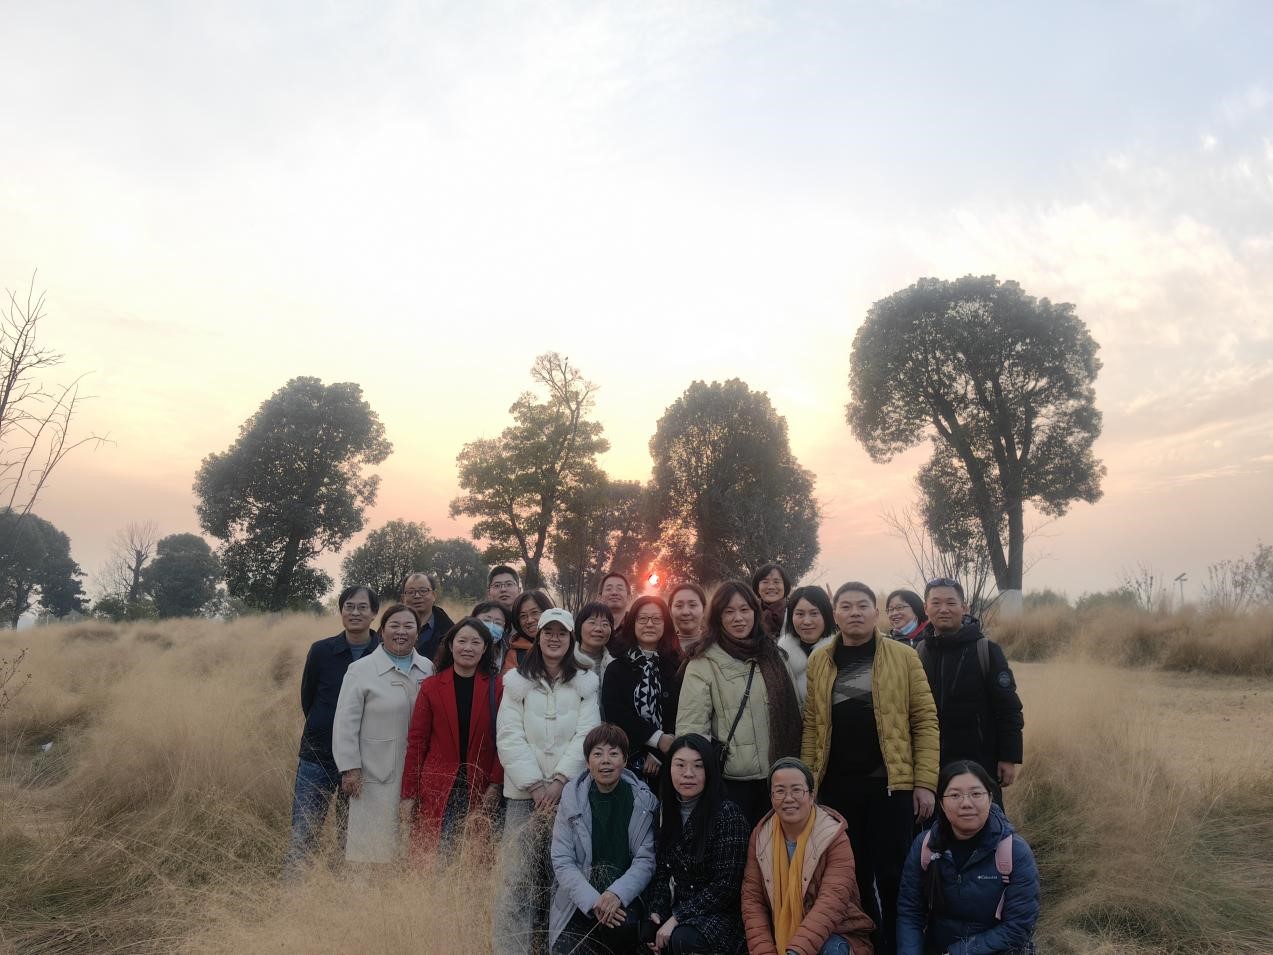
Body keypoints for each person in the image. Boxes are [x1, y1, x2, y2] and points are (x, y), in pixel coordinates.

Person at [800, 582, 939, 955]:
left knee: (895, 874)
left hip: (891, 787)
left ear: (876, 613)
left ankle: (901, 944)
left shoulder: (903, 656)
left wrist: (925, 782)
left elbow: (925, 721)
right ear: (835, 614)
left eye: (863, 605)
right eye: (846, 606)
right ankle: (869, 944)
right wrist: (809, 785)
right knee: (852, 874)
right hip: (838, 787)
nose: (855, 613)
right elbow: (813, 726)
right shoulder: (820, 660)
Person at [495, 608, 601, 955]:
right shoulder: (516, 683)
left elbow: (587, 734)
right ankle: (512, 948)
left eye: (561, 633)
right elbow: (508, 734)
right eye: (548, 632)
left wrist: (559, 782)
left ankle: (559, 947)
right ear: (538, 637)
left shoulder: (585, 683)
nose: (554, 639)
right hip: (524, 795)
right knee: (517, 877)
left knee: (564, 876)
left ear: (571, 639)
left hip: (568, 795)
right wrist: (535, 784)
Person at [676, 580, 802, 828]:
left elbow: (796, 712)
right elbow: (692, 729)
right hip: (731, 785)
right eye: (729, 611)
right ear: (717, 617)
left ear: (755, 612)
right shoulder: (703, 663)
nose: (738, 618)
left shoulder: (775, 655)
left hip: (781, 779)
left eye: (745, 610)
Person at [284, 585, 381, 874]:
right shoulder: (321, 651)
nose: (355, 613)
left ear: (374, 613)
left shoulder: (383, 653)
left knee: (351, 838)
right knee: (304, 832)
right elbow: (308, 698)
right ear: (341, 611)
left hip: (364, 761)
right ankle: (294, 892)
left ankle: (340, 894)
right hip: (318, 755)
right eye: (349, 606)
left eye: (362, 607)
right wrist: (327, 726)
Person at [896, 761, 1040, 955]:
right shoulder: (925, 846)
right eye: (955, 795)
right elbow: (910, 914)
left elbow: (1018, 927)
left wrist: (957, 953)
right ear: (941, 803)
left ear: (990, 798)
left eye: (976, 794)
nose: (966, 803)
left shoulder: (1014, 851)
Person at [741, 757, 875, 955]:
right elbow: (753, 901)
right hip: (780, 934)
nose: (788, 798)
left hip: (836, 932)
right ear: (771, 797)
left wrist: (796, 951)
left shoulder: (833, 835)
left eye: (797, 790)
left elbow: (832, 901)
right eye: (780, 791)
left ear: (812, 795)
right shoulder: (761, 837)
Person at [332, 603, 434, 863]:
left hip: (417, 771)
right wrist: (350, 767)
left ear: (418, 633)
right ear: (382, 631)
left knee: (410, 848)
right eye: (394, 625)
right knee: (371, 850)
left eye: (409, 626)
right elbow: (345, 722)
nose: (401, 632)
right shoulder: (361, 669)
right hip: (373, 772)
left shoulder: (427, 668)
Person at [548, 723, 658, 955]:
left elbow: (645, 860)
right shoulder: (571, 800)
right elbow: (562, 860)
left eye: (613, 754)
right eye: (597, 754)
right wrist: (593, 901)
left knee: (621, 929)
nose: (605, 761)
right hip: (580, 898)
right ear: (588, 762)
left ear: (625, 760)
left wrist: (616, 894)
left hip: (624, 896)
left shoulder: (643, 802)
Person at [401, 617, 503, 858]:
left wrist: (495, 784)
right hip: (438, 787)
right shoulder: (431, 686)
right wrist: (409, 793)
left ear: (485, 648)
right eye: (462, 641)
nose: (468, 648)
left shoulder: (498, 687)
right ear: (450, 645)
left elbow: (505, 741)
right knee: (435, 857)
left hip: (480, 787)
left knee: (474, 859)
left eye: (475, 642)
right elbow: (417, 743)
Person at [642, 734, 749, 955]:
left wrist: (677, 917)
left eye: (698, 766)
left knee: (683, 938)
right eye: (680, 765)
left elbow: (726, 887)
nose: (688, 774)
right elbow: (662, 872)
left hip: (719, 914)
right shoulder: (664, 811)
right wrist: (657, 913)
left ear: (709, 771)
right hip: (680, 907)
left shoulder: (728, 814)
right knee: (646, 932)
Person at [918, 578, 1024, 795]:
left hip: (979, 762)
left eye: (951, 603)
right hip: (930, 763)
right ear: (926, 608)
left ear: (964, 607)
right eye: (936, 603)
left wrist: (1008, 756)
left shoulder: (986, 650)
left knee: (981, 813)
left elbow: (1008, 707)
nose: (944, 609)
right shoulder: (920, 651)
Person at [600, 594, 681, 783]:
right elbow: (615, 713)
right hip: (627, 760)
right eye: (642, 619)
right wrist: (656, 739)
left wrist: (659, 753)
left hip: (670, 759)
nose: (649, 624)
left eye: (656, 619)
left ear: (666, 624)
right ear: (632, 624)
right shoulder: (617, 667)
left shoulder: (675, 665)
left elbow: (681, 711)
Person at [777, 586, 838, 706]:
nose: (807, 621)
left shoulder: (841, 650)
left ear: (826, 615)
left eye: (814, 613)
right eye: (800, 614)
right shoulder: (780, 654)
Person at [403, 571, 455, 662]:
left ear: (434, 595)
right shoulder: (390, 627)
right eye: (411, 592)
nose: (417, 596)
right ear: (403, 598)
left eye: (423, 591)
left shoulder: (450, 631)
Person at [507, 590, 554, 675]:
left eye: (535, 612)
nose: (529, 620)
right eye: (523, 616)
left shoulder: (566, 646)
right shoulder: (514, 655)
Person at [574, 601, 616, 680]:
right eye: (592, 622)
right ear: (579, 625)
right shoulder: (565, 662)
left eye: (605, 624)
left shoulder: (616, 665)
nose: (598, 629)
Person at [752, 562, 792, 640]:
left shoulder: (795, 612)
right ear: (757, 587)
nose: (771, 587)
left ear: (785, 586)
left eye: (776, 582)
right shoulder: (750, 613)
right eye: (765, 582)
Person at [473, 599, 515, 672]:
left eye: (498, 623)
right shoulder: (462, 645)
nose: (491, 626)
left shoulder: (510, 650)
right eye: (486, 620)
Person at [668, 581, 707, 656]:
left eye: (692, 605)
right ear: (670, 611)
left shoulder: (716, 645)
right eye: (679, 606)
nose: (685, 612)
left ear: (704, 610)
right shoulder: (663, 648)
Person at [598, 571, 632, 651]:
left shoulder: (636, 626)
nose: (614, 593)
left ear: (629, 597)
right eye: (608, 589)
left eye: (619, 589)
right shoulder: (590, 628)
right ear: (600, 597)